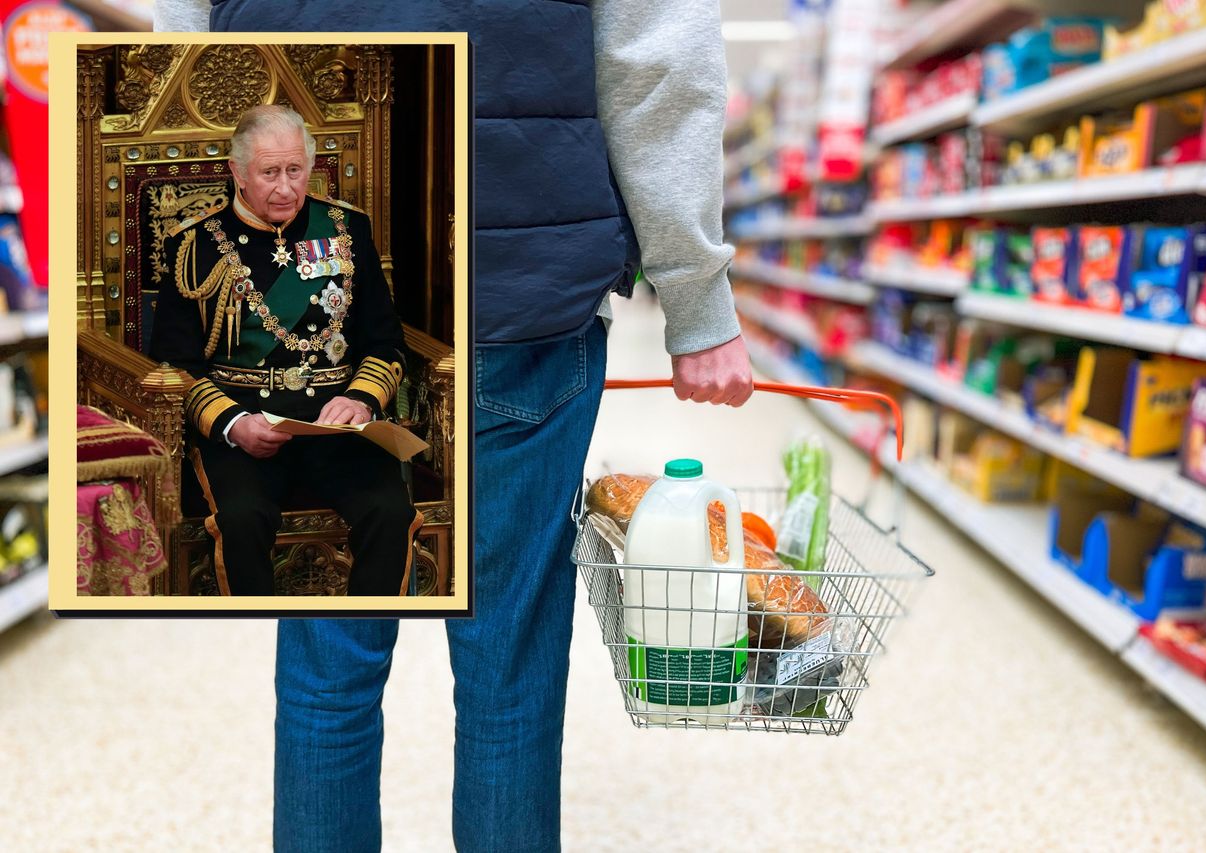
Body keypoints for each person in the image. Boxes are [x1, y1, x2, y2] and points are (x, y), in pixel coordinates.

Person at [157, 2, 754, 850]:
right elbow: (658, 62)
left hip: (316, 317)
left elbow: (176, 49)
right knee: (506, 669)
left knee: (330, 669)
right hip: (518, 283)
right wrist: (696, 299)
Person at [150, 104, 420, 596]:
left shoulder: (345, 230)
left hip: (339, 424)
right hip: (244, 426)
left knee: (391, 511)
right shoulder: (195, 245)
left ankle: (359, 636)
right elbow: (176, 364)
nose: (285, 187)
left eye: (295, 170)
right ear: (237, 172)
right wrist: (233, 424)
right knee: (243, 519)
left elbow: (385, 341)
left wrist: (361, 399)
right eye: (269, 172)